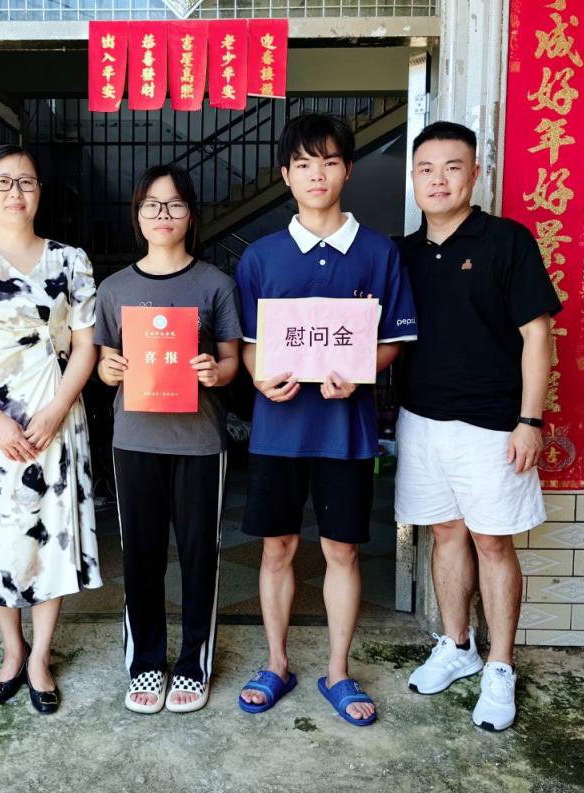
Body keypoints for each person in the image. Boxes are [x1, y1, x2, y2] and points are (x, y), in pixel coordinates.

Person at [235, 113, 418, 726]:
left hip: (347, 430)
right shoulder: (260, 257)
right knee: (277, 548)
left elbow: (393, 341)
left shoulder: (378, 251)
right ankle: (276, 663)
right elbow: (249, 345)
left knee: (343, 550)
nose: (318, 174)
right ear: (286, 175)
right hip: (278, 429)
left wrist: (360, 371)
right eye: (304, 164)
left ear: (348, 170)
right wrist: (260, 376)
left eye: (330, 162)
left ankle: (338, 671)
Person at [395, 121, 561, 732]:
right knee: (445, 534)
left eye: (452, 167)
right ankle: (457, 645)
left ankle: (499, 665)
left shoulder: (506, 241)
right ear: (414, 179)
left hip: (493, 425)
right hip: (420, 420)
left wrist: (529, 420)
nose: (438, 180)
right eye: (426, 169)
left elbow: (537, 335)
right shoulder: (402, 253)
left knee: (492, 541)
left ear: (475, 173)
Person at [0, 144, 102, 714]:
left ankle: (40, 657)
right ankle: (12, 650)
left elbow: (86, 345)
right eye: (3, 182)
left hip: (55, 411)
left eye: (26, 182)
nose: (15, 192)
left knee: (51, 532)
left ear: (39, 192)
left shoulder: (70, 261)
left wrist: (54, 412)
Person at [95, 164, 241, 714]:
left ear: (191, 215)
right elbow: (103, 361)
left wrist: (215, 373)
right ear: (138, 215)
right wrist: (109, 370)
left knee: (201, 555)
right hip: (134, 439)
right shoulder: (115, 289)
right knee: (141, 556)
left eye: (175, 204)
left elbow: (232, 362)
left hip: (199, 440)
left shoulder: (216, 284)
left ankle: (193, 664)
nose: (163, 214)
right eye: (152, 205)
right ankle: (146, 663)